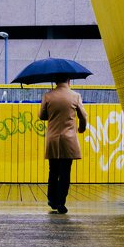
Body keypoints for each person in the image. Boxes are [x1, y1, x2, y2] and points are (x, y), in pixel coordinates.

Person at [38, 78, 88, 214]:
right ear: (68, 80)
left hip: (53, 139)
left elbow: (41, 116)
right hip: (69, 139)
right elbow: (83, 116)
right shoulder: (75, 96)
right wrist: (81, 128)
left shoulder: (48, 96)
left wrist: (52, 111)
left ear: (55, 81)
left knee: (53, 170)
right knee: (65, 172)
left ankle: (52, 199)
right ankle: (61, 202)